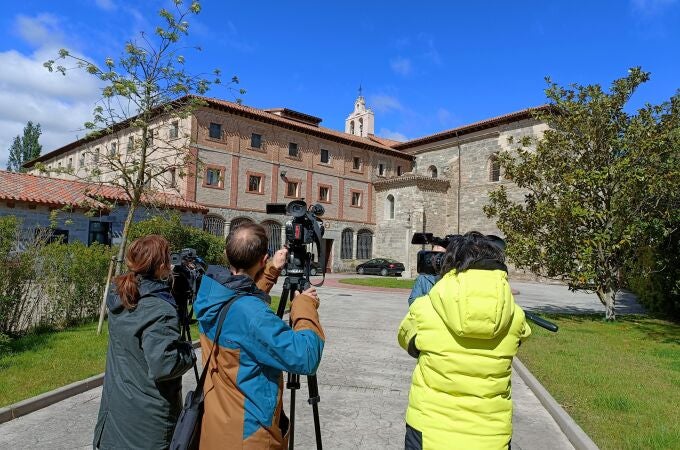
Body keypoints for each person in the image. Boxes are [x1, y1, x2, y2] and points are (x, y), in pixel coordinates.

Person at [194, 222, 324, 449]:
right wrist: (304, 306)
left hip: (216, 428)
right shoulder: (252, 315)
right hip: (249, 436)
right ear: (263, 259)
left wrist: (271, 270)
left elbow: (239, 306)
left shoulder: (211, 293)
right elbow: (305, 357)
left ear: (226, 254)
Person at [398, 231, 531, 450]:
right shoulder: (514, 316)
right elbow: (521, 338)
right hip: (491, 436)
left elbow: (408, 342)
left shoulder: (424, 308)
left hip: (429, 432)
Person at [94, 235, 195, 450]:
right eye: (169, 260)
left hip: (116, 410)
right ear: (161, 267)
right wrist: (188, 351)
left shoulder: (121, 294)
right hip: (149, 422)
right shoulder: (159, 309)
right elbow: (165, 365)